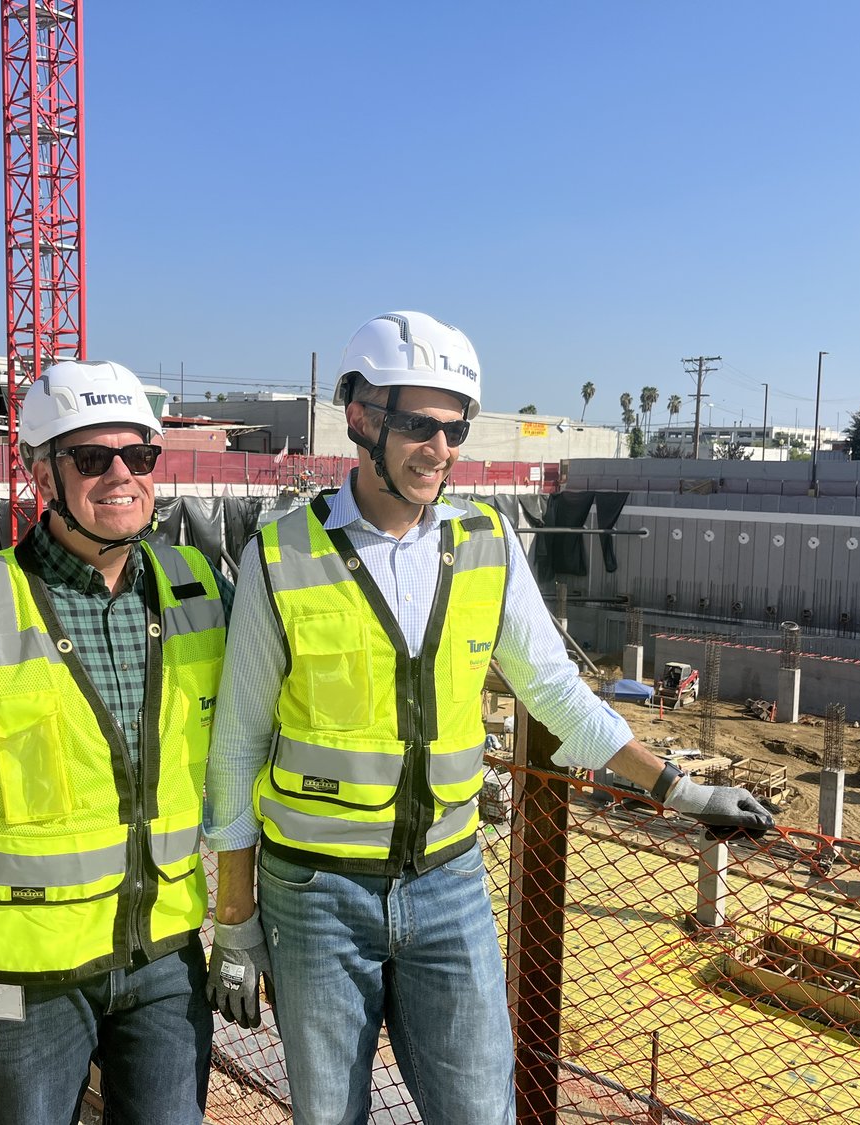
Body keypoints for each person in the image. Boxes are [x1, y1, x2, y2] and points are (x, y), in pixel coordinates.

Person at [203, 311, 774, 1125]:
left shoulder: (487, 543)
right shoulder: (282, 554)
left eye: (454, 427)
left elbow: (557, 694)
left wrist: (679, 790)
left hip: (449, 884)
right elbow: (236, 749)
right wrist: (234, 921)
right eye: (416, 425)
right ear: (361, 418)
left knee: (480, 1110)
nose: (438, 447)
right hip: (315, 895)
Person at [0, 359, 232, 1125]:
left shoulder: (195, 587)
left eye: (140, 456)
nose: (121, 475)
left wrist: (242, 922)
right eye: (92, 458)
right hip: (24, 977)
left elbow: (250, 743)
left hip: (163, 957)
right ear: (41, 473)